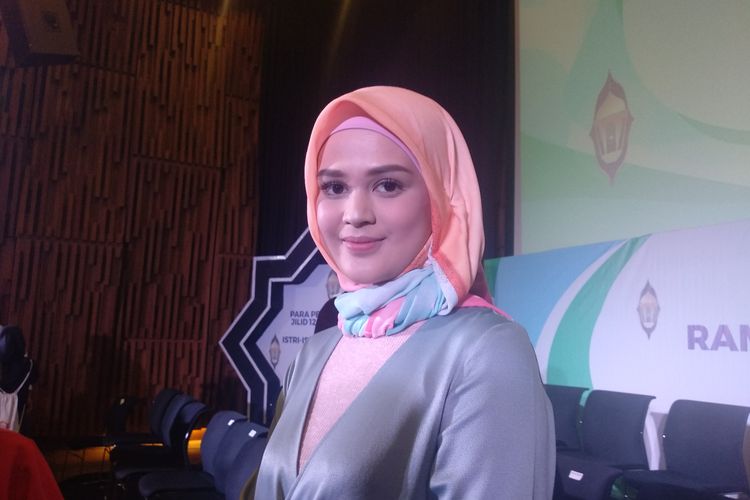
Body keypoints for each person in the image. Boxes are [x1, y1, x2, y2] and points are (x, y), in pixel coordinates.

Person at [249, 86, 554, 499]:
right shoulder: (314, 353)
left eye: (388, 185)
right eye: (334, 187)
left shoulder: (486, 352)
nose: (355, 214)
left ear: (442, 199)